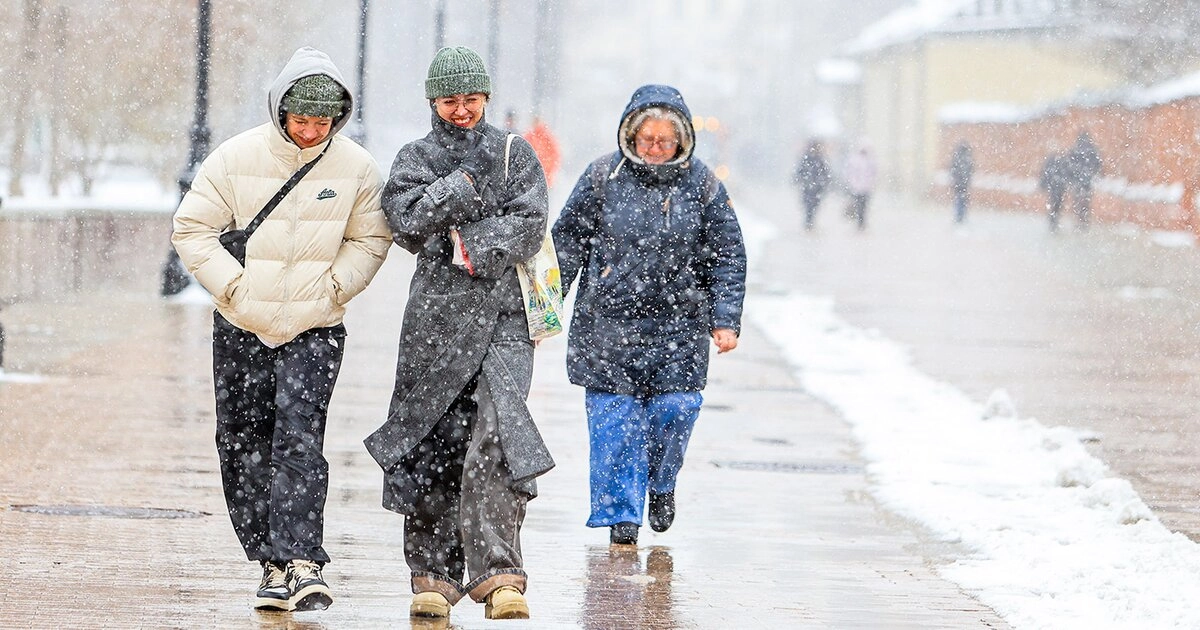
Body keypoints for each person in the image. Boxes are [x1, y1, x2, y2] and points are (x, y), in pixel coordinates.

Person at [171, 46, 392, 612]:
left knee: (300, 437)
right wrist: (234, 289)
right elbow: (192, 228)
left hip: (315, 326)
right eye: (302, 121)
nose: (312, 132)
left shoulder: (357, 168)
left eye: (324, 122)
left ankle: (302, 559)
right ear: (280, 112)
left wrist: (333, 290)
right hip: (241, 322)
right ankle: (268, 560)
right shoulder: (234, 157)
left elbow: (370, 239)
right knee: (241, 439)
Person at [362, 46, 553, 622]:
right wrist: (463, 190)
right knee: (433, 437)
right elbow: (403, 218)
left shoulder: (516, 154)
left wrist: (460, 243)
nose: (462, 110)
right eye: (451, 100)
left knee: (496, 432)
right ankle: (434, 576)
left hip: (504, 320)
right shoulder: (414, 155)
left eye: (472, 99)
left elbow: (529, 223)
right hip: (434, 323)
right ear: (432, 101)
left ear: (486, 98)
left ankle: (499, 575)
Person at [551, 84, 747, 547]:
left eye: (666, 141)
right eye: (647, 140)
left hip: (678, 326)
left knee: (675, 411)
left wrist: (725, 318)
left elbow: (727, 254)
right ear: (630, 135)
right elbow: (566, 245)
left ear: (682, 141)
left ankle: (660, 484)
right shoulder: (602, 176)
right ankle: (622, 519)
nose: (655, 150)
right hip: (607, 326)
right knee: (614, 423)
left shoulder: (702, 185)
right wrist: (544, 312)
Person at [792, 139, 831, 230]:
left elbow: (825, 172)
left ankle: (809, 221)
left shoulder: (819, 159)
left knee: (813, 205)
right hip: (809, 185)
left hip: (816, 186)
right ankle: (808, 221)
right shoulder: (808, 158)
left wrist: (825, 180)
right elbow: (800, 170)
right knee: (809, 204)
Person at [1067, 131, 1102, 229]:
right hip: (1087, 180)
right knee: (1085, 201)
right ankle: (1084, 220)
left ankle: (1079, 219)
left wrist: (1072, 177)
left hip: (1078, 180)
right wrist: (1092, 173)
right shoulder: (1092, 150)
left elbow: (1069, 165)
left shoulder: (1075, 150)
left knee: (1078, 200)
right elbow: (1098, 164)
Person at [843, 144, 877, 230]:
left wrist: (871, 183)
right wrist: (851, 183)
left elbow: (873, 173)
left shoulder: (870, 160)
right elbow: (849, 173)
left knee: (864, 206)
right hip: (857, 188)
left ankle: (861, 222)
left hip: (866, 187)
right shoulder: (854, 160)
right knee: (858, 205)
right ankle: (860, 222)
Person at [523, 115, 562, 189]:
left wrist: (550, 171)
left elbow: (555, 155)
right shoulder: (529, 136)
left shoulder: (546, 136)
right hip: (533, 177)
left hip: (542, 176)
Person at [1039, 152, 1070, 232]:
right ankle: (1054, 219)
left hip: (1054, 187)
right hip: (1059, 187)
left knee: (1054, 203)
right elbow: (1068, 174)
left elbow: (1045, 174)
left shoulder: (1051, 162)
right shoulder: (1063, 161)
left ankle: (1053, 220)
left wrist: (1043, 184)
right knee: (1057, 204)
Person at [949, 141, 974, 224]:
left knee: (959, 199)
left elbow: (953, 170)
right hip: (964, 184)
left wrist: (954, 180)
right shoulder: (968, 158)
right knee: (963, 200)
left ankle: (959, 216)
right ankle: (961, 216)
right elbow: (971, 170)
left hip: (958, 183)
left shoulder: (957, 158)